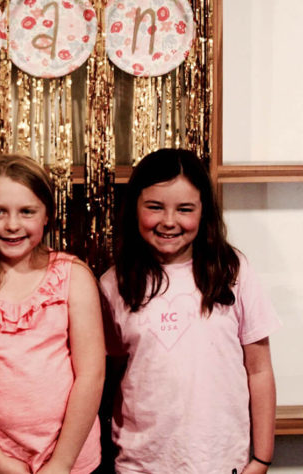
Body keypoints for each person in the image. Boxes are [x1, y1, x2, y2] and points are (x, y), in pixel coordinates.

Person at [99, 148, 280, 474]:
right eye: (154, 207)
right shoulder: (113, 284)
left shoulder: (232, 270)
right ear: (135, 208)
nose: (169, 221)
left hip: (220, 461)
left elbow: (259, 370)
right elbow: (107, 377)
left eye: (185, 209)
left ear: (204, 212)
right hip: (139, 463)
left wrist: (262, 458)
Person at [0, 154, 104, 474]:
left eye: (27, 212)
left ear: (46, 215)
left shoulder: (73, 276)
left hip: (71, 459)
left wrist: (61, 463)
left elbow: (91, 375)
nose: (13, 225)